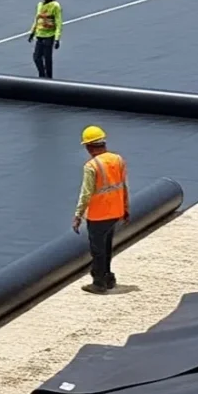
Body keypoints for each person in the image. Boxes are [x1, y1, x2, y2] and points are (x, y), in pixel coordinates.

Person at [72, 125, 129, 292]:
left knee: (97, 250)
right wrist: (126, 209)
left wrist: (78, 215)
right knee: (107, 247)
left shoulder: (91, 166)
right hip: (115, 212)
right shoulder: (118, 159)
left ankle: (98, 283)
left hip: (98, 215)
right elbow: (124, 186)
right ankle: (109, 277)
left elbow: (86, 193)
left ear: (89, 147)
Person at [30, 0, 63, 79]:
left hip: (49, 36)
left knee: (47, 59)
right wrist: (32, 32)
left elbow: (58, 22)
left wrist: (57, 38)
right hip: (39, 35)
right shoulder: (40, 5)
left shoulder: (55, 6)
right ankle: (42, 75)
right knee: (36, 57)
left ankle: (49, 78)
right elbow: (37, 19)